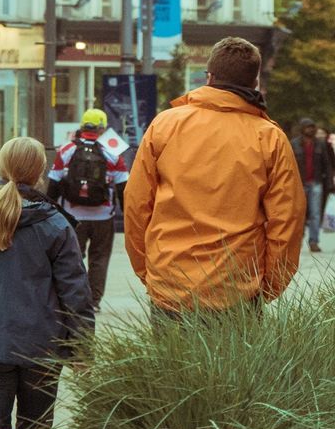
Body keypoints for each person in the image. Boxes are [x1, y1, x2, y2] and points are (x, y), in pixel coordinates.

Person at [124, 36, 305, 317]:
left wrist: (148, 271)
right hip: (238, 289)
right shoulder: (269, 138)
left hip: (170, 285)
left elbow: (136, 204)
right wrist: (269, 286)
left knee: (173, 364)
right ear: (254, 83)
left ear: (209, 77)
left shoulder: (165, 125)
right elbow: (287, 219)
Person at [0, 136, 94, 429]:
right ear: (40, 172)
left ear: (0, 166)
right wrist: (82, 350)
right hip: (39, 345)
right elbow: (75, 293)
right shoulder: (54, 224)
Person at [47, 108, 129, 309]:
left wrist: (49, 210)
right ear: (102, 129)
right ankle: (93, 301)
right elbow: (123, 188)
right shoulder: (113, 153)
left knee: (73, 257)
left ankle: (73, 298)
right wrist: (127, 216)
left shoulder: (67, 150)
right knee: (99, 259)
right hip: (103, 217)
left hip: (73, 216)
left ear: (82, 127)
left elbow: (54, 182)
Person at [290, 117, 331, 253]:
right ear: (302, 129)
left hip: (316, 182)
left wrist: (329, 182)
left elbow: (327, 164)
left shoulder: (320, 144)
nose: (311, 129)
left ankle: (314, 241)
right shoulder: (294, 144)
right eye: (308, 127)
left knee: (315, 213)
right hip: (299, 183)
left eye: (312, 127)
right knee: (299, 213)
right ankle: (298, 240)